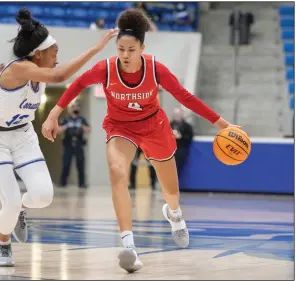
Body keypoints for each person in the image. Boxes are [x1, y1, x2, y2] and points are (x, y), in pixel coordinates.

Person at [42, 8, 240, 273]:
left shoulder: (156, 69)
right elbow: (77, 85)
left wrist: (223, 124)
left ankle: (175, 215)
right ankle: (129, 246)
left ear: (142, 48)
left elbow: (186, 98)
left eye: (131, 50)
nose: (125, 55)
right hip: (120, 127)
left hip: (155, 127)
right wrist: (54, 113)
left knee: (170, 190)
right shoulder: (107, 68)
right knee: (117, 172)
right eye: (121, 49)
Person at [0, 8, 117, 267]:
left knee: (43, 196)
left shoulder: (29, 68)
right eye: (54, 53)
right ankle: (3, 243)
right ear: (38, 53)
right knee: (7, 202)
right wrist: (97, 48)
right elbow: (59, 76)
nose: (57, 58)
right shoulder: (21, 69)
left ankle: (21, 209)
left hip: (22, 135)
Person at [59, 101, 90, 188]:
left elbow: (88, 129)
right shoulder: (65, 119)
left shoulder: (82, 119)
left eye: (77, 107)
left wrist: (81, 126)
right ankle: (63, 183)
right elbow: (58, 130)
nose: (75, 109)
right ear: (70, 109)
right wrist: (67, 126)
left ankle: (82, 183)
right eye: (73, 107)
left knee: (80, 164)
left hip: (79, 145)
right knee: (66, 164)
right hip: (68, 144)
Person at [170, 107, 194, 178]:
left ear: (181, 115)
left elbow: (190, 137)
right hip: (170, 150)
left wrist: (181, 137)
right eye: (175, 114)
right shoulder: (169, 125)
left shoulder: (187, 126)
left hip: (181, 148)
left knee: (177, 167)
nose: (176, 116)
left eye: (178, 114)